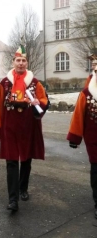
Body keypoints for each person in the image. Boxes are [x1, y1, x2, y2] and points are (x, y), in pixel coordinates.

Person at [0, 45, 49, 212]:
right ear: (13, 62)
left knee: (26, 159)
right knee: (11, 161)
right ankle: (13, 199)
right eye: (18, 60)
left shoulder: (35, 83)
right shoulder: (5, 83)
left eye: (23, 61)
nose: (21, 63)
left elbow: (44, 101)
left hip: (29, 126)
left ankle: (23, 188)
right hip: (10, 126)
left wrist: (39, 104)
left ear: (27, 63)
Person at [67, 67, 97, 220]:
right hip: (93, 137)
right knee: (96, 166)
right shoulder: (86, 94)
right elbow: (78, 115)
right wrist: (75, 137)